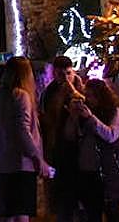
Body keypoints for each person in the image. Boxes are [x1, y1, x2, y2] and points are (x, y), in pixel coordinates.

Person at [0, 56, 51, 221]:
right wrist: (37, 157)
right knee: (21, 211)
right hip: (22, 161)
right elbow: (23, 130)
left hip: (5, 158)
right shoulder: (21, 95)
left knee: (9, 211)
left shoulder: (1, 95)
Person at [65, 76, 119, 221]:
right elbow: (70, 137)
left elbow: (111, 135)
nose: (88, 99)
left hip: (108, 172)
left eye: (91, 95)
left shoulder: (114, 111)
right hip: (88, 171)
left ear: (100, 96)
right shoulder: (85, 112)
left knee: (112, 213)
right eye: (86, 95)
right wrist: (73, 116)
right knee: (91, 213)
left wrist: (91, 118)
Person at [40, 56, 80, 219]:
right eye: (60, 74)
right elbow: (46, 119)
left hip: (77, 147)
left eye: (68, 73)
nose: (64, 77)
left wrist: (71, 90)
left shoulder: (79, 87)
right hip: (56, 146)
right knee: (60, 191)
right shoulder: (48, 92)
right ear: (53, 73)